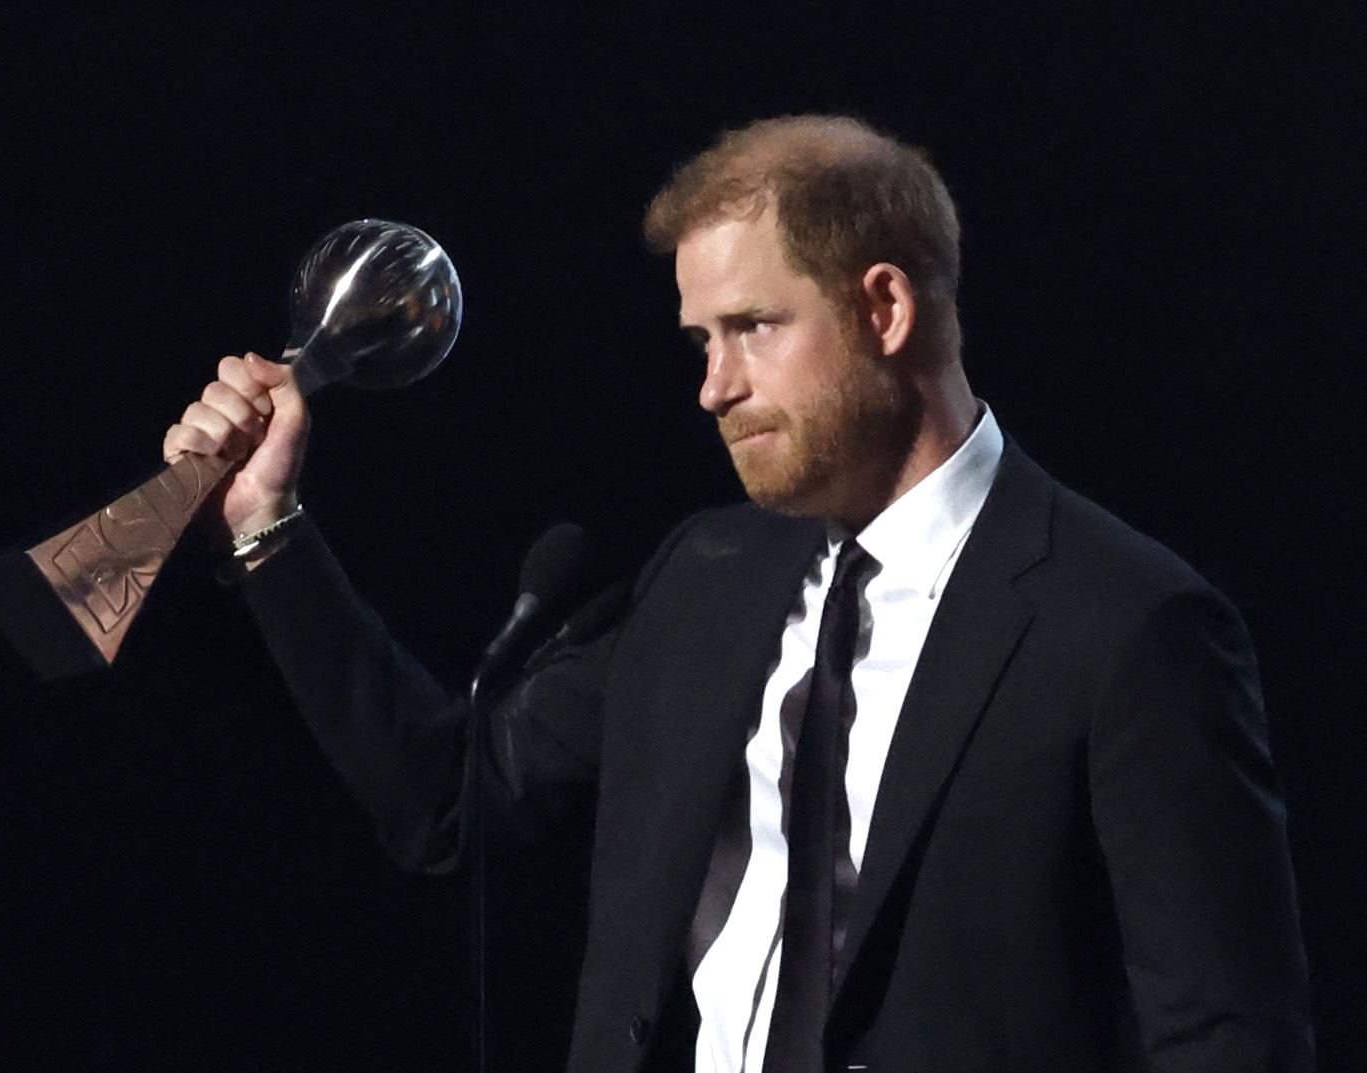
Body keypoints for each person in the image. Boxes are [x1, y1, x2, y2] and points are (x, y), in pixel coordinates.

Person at [163, 116, 1313, 1072]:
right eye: (698, 340)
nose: (713, 387)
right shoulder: (706, 576)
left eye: (752, 328)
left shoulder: (1127, 623)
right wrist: (267, 526)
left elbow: (1226, 1040)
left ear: (883, 309)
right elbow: (446, 803)